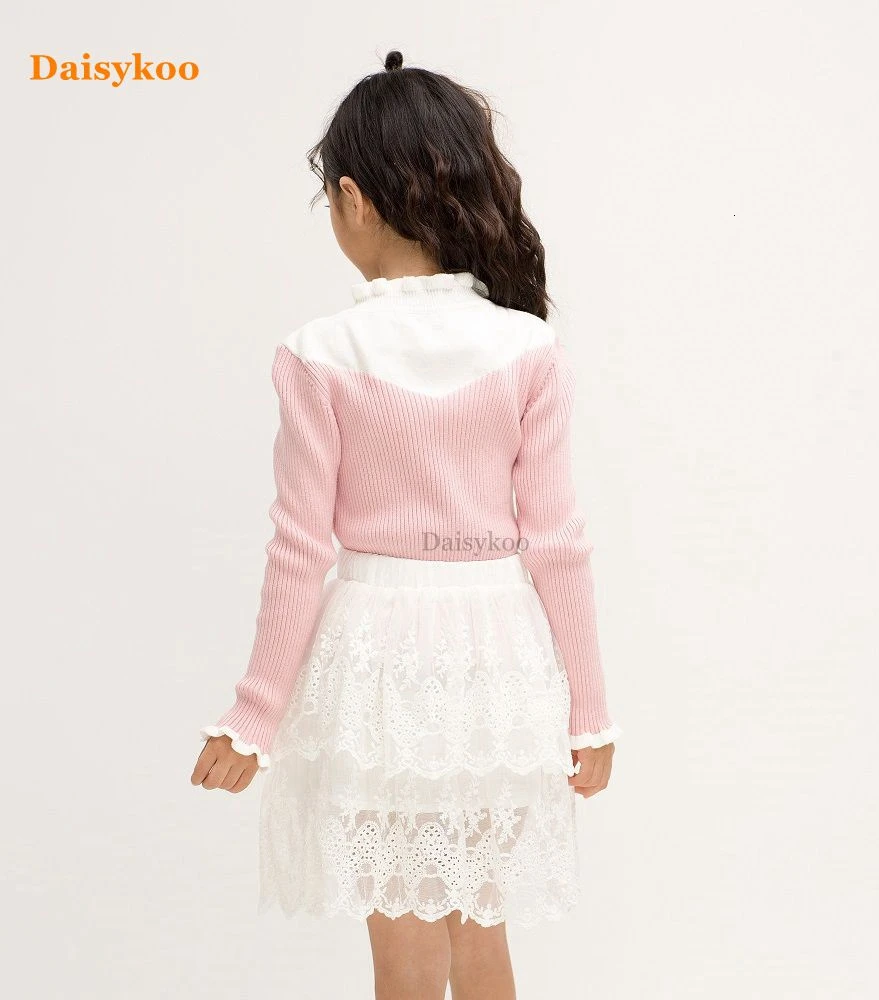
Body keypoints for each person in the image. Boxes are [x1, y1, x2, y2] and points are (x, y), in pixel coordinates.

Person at [190, 48, 621, 1000]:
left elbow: (300, 549)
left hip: (374, 663)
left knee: (403, 949)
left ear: (353, 198)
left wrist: (254, 714)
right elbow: (558, 543)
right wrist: (590, 709)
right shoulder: (529, 346)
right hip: (498, 662)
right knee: (482, 932)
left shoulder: (320, 353)